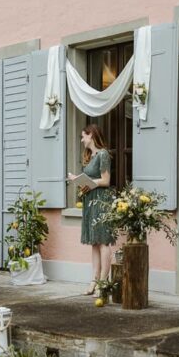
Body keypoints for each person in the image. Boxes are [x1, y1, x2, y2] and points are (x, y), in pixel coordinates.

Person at [68, 125, 115, 295]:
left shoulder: (103, 154)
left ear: (91, 135)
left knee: (103, 241)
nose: (82, 140)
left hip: (101, 201)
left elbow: (106, 180)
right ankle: (94, 281)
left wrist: (88, 183)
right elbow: (94, 180)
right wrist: (81, 183)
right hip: (90, 201)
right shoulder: (92, 155)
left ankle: (103, 282)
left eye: (83, 137)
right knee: (95, 243)